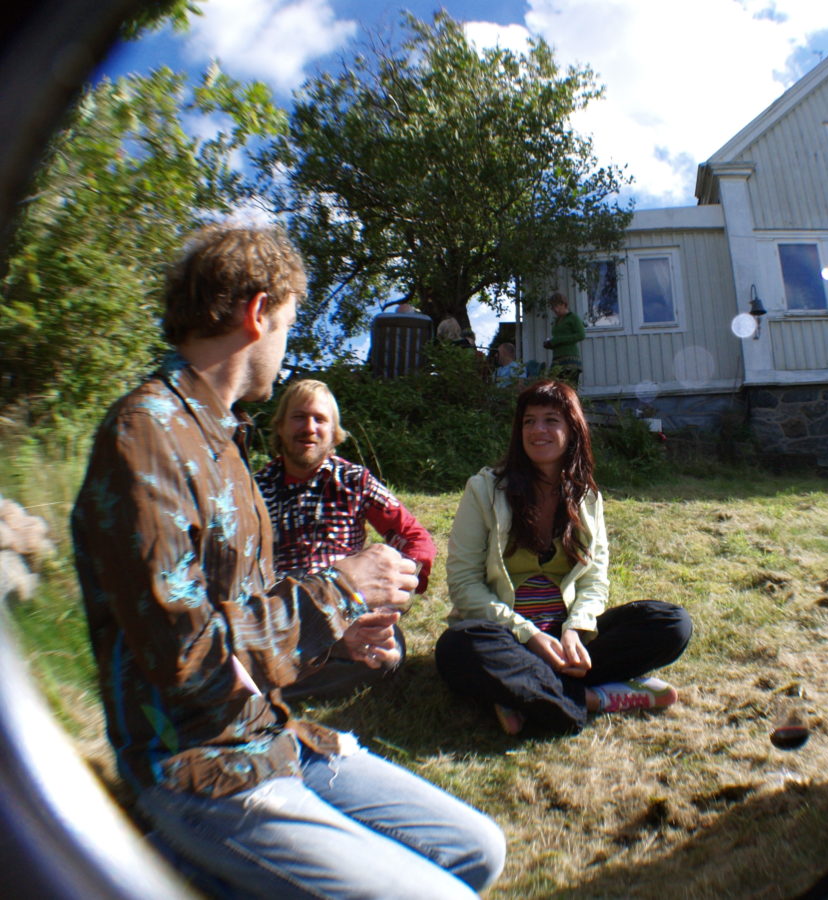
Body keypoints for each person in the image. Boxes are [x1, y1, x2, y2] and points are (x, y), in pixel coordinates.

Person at [72, 222, 504, 898]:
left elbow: (253, 602)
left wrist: (339, 626)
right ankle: (169, 861)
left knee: (477, 849)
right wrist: (339, 590)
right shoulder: (146, 437)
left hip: (273, 736)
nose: (285, 347)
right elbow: (184, 660)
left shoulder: (225, 444)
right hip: (195, 767)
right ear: (257, 313)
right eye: (287, 324)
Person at [435, 379, 693, 736]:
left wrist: (575, 629)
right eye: (529, 421)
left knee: (671, 623)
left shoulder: (587, 497)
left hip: (567, 641)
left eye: (551, 420)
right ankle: (589, 699)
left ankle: (522, 693)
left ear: (573, 430)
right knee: (457, 647)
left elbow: (594, 579)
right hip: (506, 636)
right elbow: (464, 584)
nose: (538, 430)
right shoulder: (483, 490)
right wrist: (529, 636)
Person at [255, 378, 437, 702]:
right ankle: (288, 671)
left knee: (387, 650)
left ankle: (271, 681)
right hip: (283, 610)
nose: (309, 427)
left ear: (334, 432)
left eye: (319, 419)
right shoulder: (254, 491)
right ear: (280, 427)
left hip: (347, 609)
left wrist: (400, 580)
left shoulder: (354, 481)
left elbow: (413, 536)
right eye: (299, 417)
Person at [542, 292, 585, 387]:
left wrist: (558, 340)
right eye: (553, 308)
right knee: (554, 388)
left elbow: (581, 335)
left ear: (564, 304)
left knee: (569, 390)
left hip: (570, 360)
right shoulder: (556, 321)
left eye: (557, 306)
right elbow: (557, 338)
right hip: (557, 360)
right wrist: (550, 343)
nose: (555, 310)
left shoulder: (573, 318)